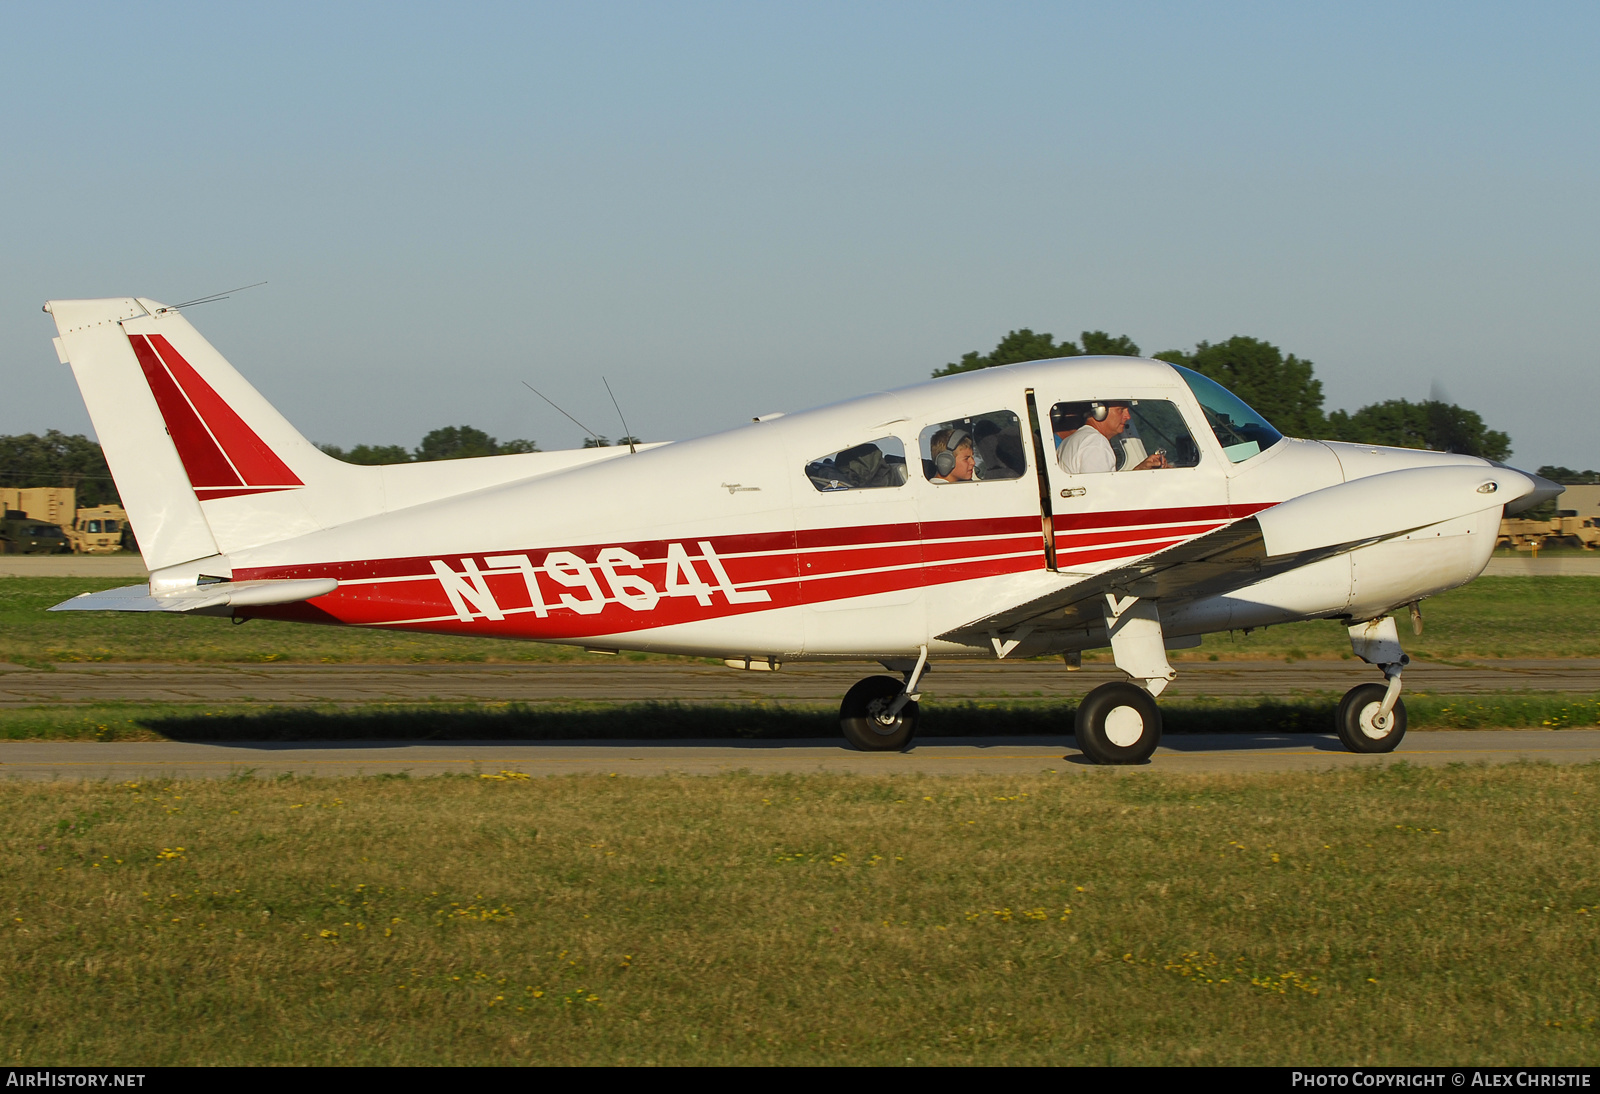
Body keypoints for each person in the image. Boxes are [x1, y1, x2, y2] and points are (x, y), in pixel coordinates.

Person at [1057, 402, 1168, 474]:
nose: (1128, 416)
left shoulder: (1072, 440)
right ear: (1099, 411)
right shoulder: (1095, 442)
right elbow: (1102, 495)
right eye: (1121, 410)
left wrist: (1139, 470)